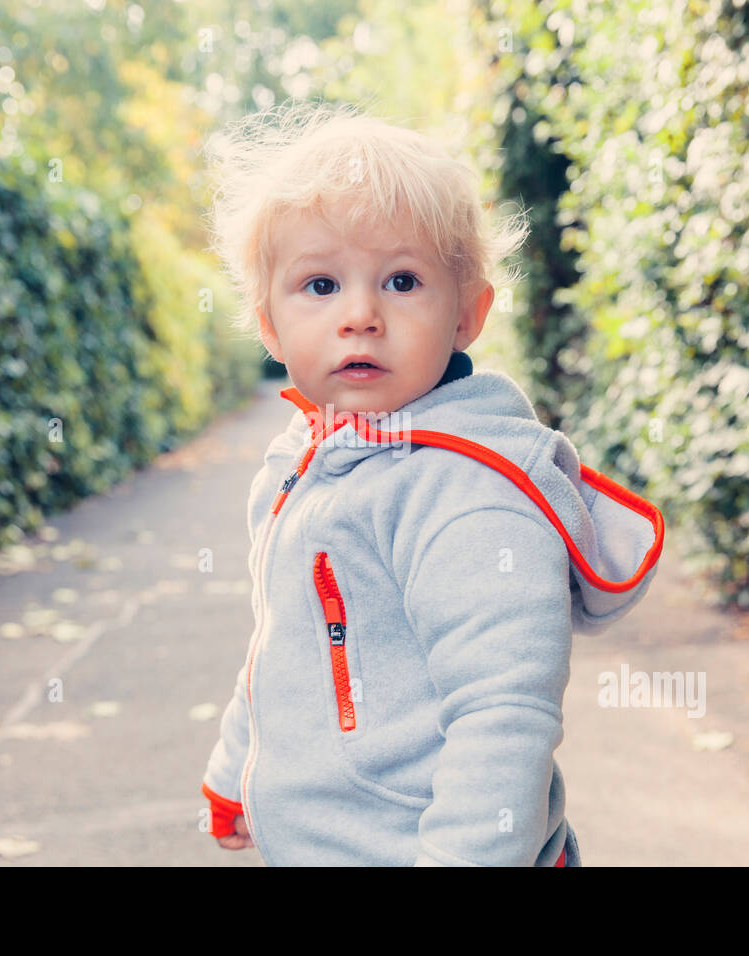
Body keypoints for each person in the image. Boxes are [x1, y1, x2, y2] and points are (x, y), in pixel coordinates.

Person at [198, 99, 664, 865]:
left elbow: (503, 715)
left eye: (403, 280)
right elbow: (282, 647)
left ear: (467, 316)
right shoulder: (303, 461)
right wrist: (234, 771)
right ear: (269, 325)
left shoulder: (465, 496)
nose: (360, 314)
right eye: (320, 285)